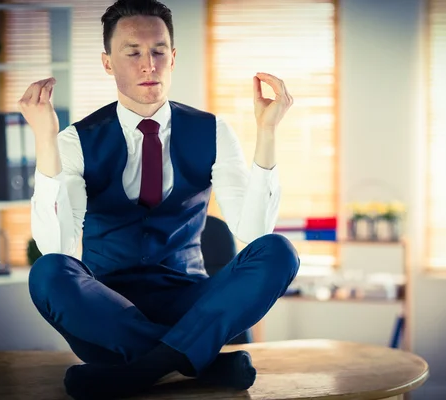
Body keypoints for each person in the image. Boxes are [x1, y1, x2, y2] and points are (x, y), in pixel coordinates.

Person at [19, 0, 299, 398]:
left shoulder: (213, 130)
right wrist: (46, 141)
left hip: (191, 303)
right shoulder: (75, 141)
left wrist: (267, 134)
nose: (148, 65)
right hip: (109, 314)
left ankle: (143, 370)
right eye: (132, 53)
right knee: (47, 273)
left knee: (278, 251)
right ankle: (198, 363)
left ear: (173, 56)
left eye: (158, 51)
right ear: (107, 63)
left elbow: (253, 232)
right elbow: (57, 246)